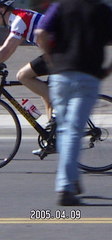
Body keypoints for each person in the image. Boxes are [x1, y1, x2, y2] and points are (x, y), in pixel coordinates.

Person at [35, 0, 112, 205]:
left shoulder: (61, 6)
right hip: (88, 77)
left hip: (61, 75)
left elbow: (40, 32)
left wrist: (51, 59)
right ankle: (65, 187)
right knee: (73, 131)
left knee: (65, 130)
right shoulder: (103, 10)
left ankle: (72, 177)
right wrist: (108, 69)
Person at [0, 0, 52, 121]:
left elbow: (7, 49)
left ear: (2, 10)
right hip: (59, 52)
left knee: (23, 76)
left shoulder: (19, 19)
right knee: (46, 93)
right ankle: (54, 134)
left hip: (63, 53)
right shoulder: (20, 17)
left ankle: (59, 113)